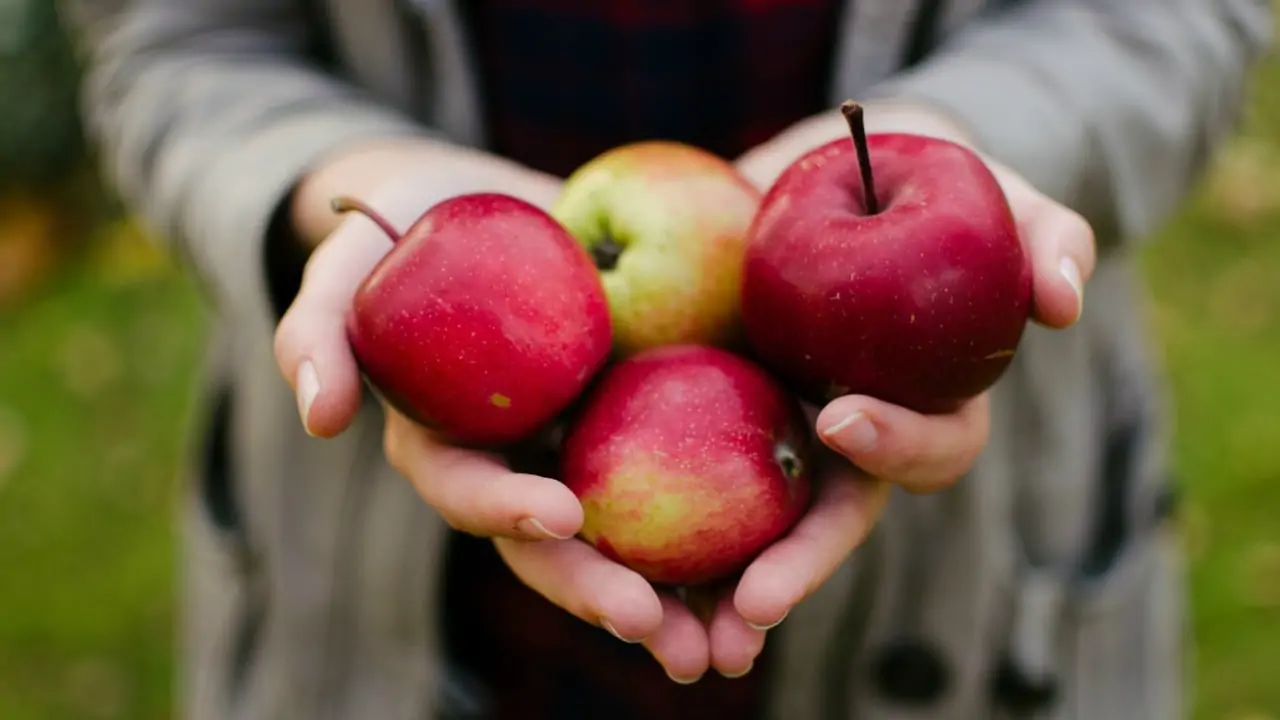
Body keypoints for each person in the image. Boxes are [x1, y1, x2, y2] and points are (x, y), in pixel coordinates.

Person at [62, 0, 1269, 718]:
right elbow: (177, 39)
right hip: (383, 591)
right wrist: (344, 184)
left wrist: (964, 141)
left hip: (975, 580)